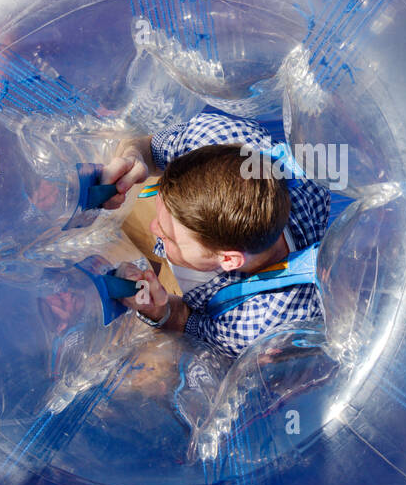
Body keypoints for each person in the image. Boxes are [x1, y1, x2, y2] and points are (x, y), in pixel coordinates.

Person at [99, 113, 331, 360]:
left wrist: (158, 309)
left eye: (169, 236)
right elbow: (147, 145)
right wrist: (134, 158)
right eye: (161, 218)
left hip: (213, 296)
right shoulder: (215, 138)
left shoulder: (258, 323)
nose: (154, 228)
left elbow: (188, 322)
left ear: (229, 260)